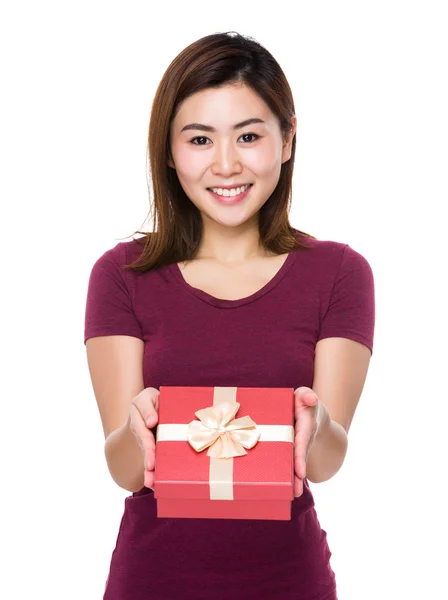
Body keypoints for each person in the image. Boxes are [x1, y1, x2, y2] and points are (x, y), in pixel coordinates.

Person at [84, 31, 375, 600]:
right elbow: (123, 470)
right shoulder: (122, 274)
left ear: (286, 141)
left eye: (248, 136)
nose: (225, 164)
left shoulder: (339, 273)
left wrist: (316, 429)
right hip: (153, 581)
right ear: (168, 151)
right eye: (199, 139)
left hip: (289, 581)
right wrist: (134, 431)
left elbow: (324, 462)